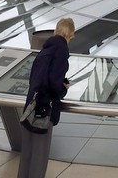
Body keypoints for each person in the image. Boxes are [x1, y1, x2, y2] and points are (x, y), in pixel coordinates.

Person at [19, 17, 75, 178]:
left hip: (31, 106)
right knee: (40, 156)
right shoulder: (61, 49)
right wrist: (63, 88)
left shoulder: (45, 49)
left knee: (27, 155)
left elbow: (36, 78)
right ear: (70, 33)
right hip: (44, 109)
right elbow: (54, 83)